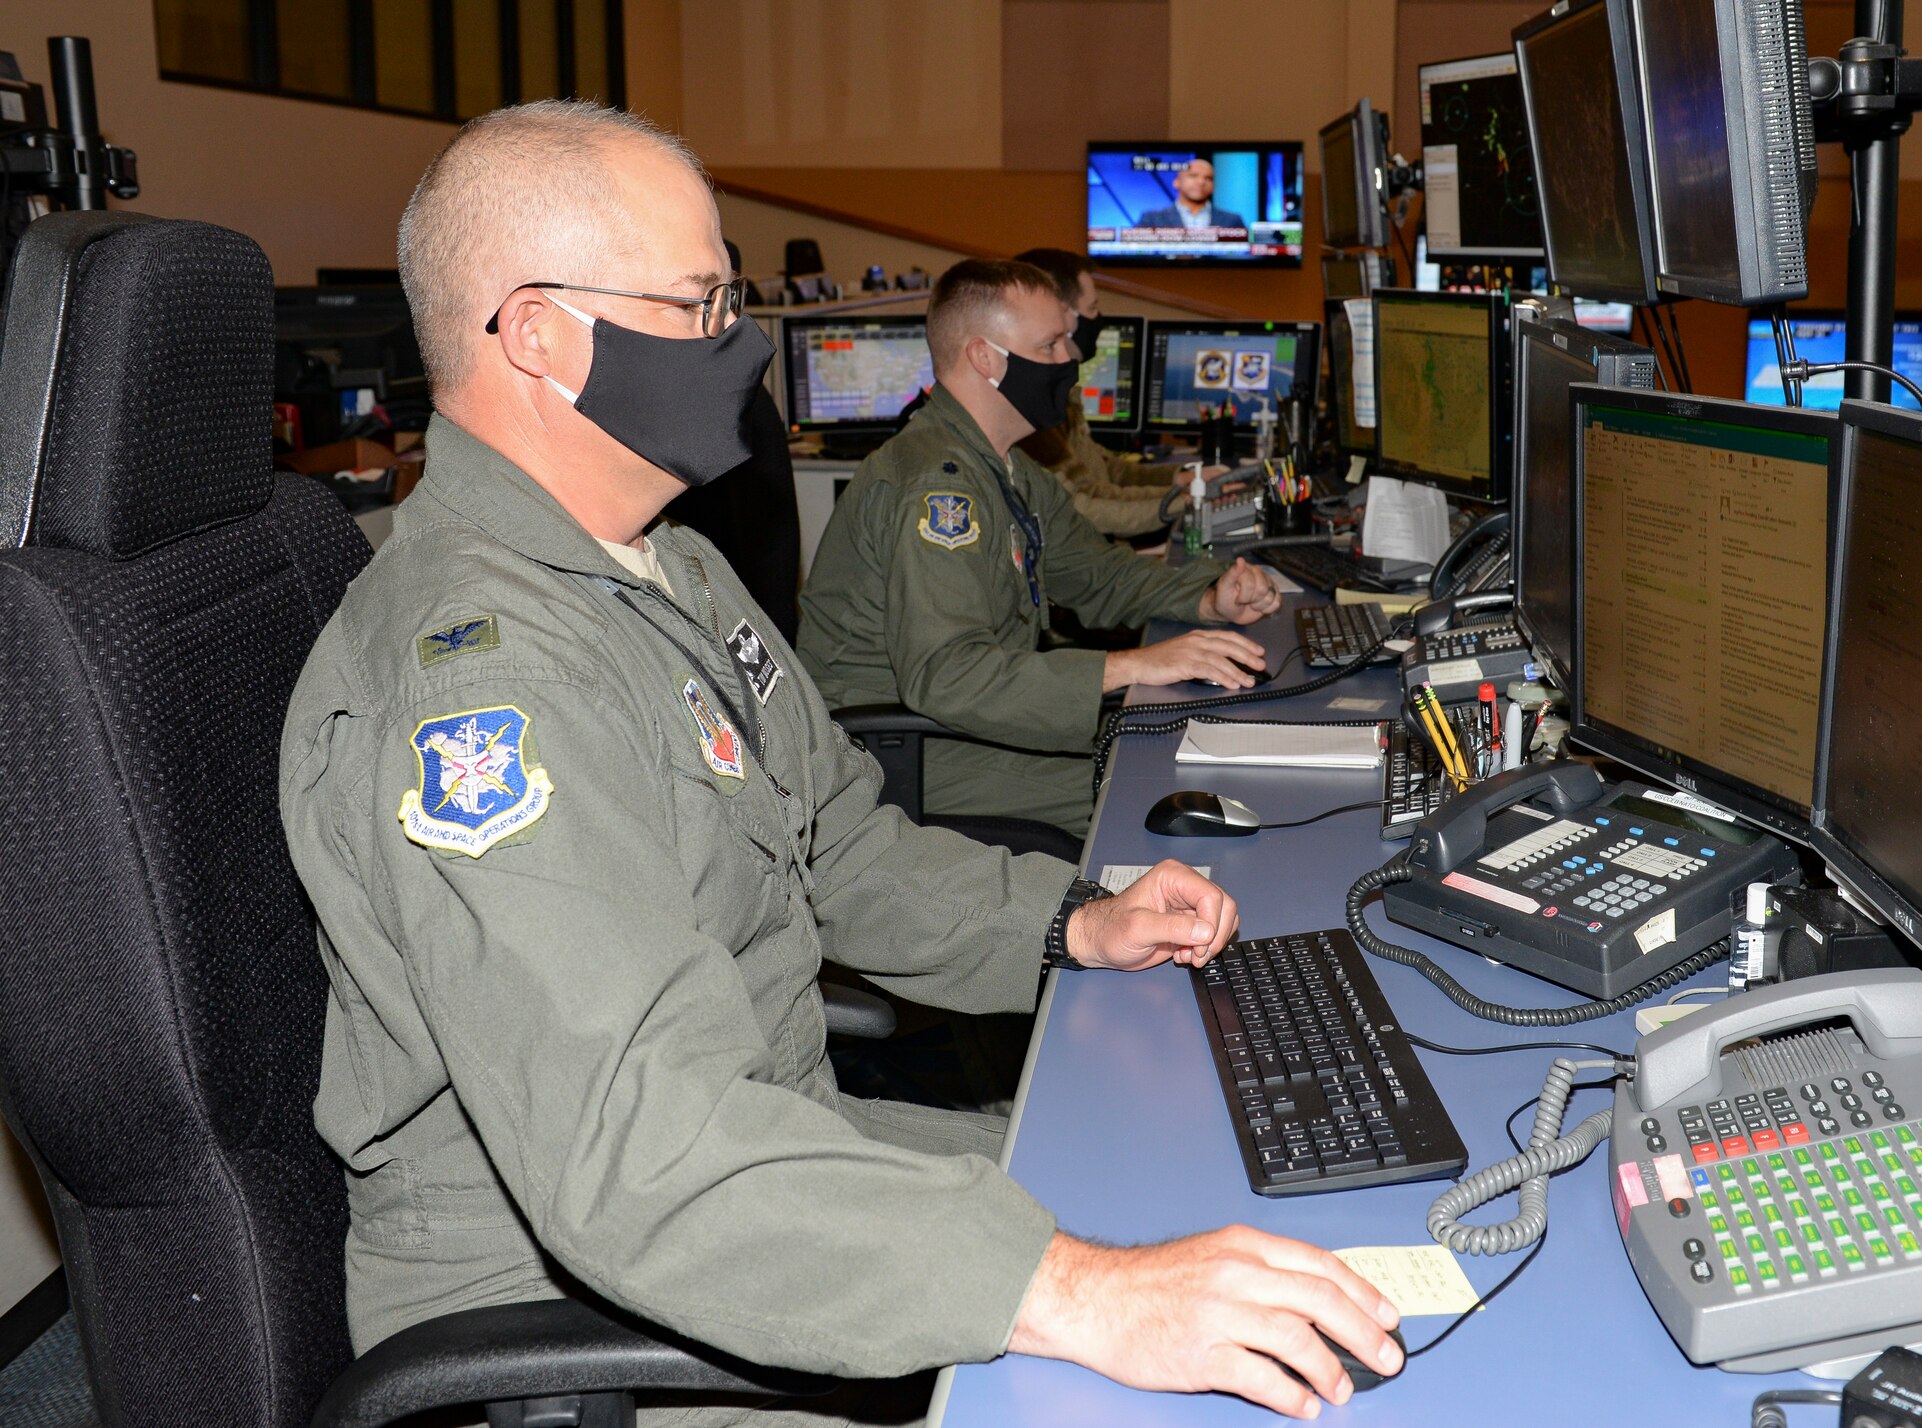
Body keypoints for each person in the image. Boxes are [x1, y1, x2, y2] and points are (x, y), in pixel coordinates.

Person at [280, 101, 1401, 1427]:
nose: (737, 346)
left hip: (771, 1156)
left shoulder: (668, 571)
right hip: (575, 1309)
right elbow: (641, 1155)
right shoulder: (488, 678)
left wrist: (1071, 922)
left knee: (1183, 1192)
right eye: (700, 305)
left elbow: (842, 849)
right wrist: (1085, 1294)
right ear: (540, 334)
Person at [795, 258, 1283, 838]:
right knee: (1139, 793)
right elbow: (950, 676)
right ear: (986, 358)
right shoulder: (936, 487)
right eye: (1051, 344)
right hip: (897, 755)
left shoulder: (1004, 466)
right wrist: (1130, 665)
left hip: (960, 723)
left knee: (1155, 754)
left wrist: (1208, 597)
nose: (1071, 358)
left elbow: (1096, 574)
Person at [1011, 247, 1224, 540]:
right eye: (1092, 308)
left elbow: (1104, 473)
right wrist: (1183, 500)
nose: (1098, 318)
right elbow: (1081, 507)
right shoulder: (1025, 406)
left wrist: (1180, 481)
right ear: (1062, 314)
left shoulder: (1056, 395)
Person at [1137, 157, 1247, 230]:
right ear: (1177, 182)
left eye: (1208, 178)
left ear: (1214, 186)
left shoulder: (1233, 220)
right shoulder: (1151, 219)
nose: (1201, 182)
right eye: (1193, 176)